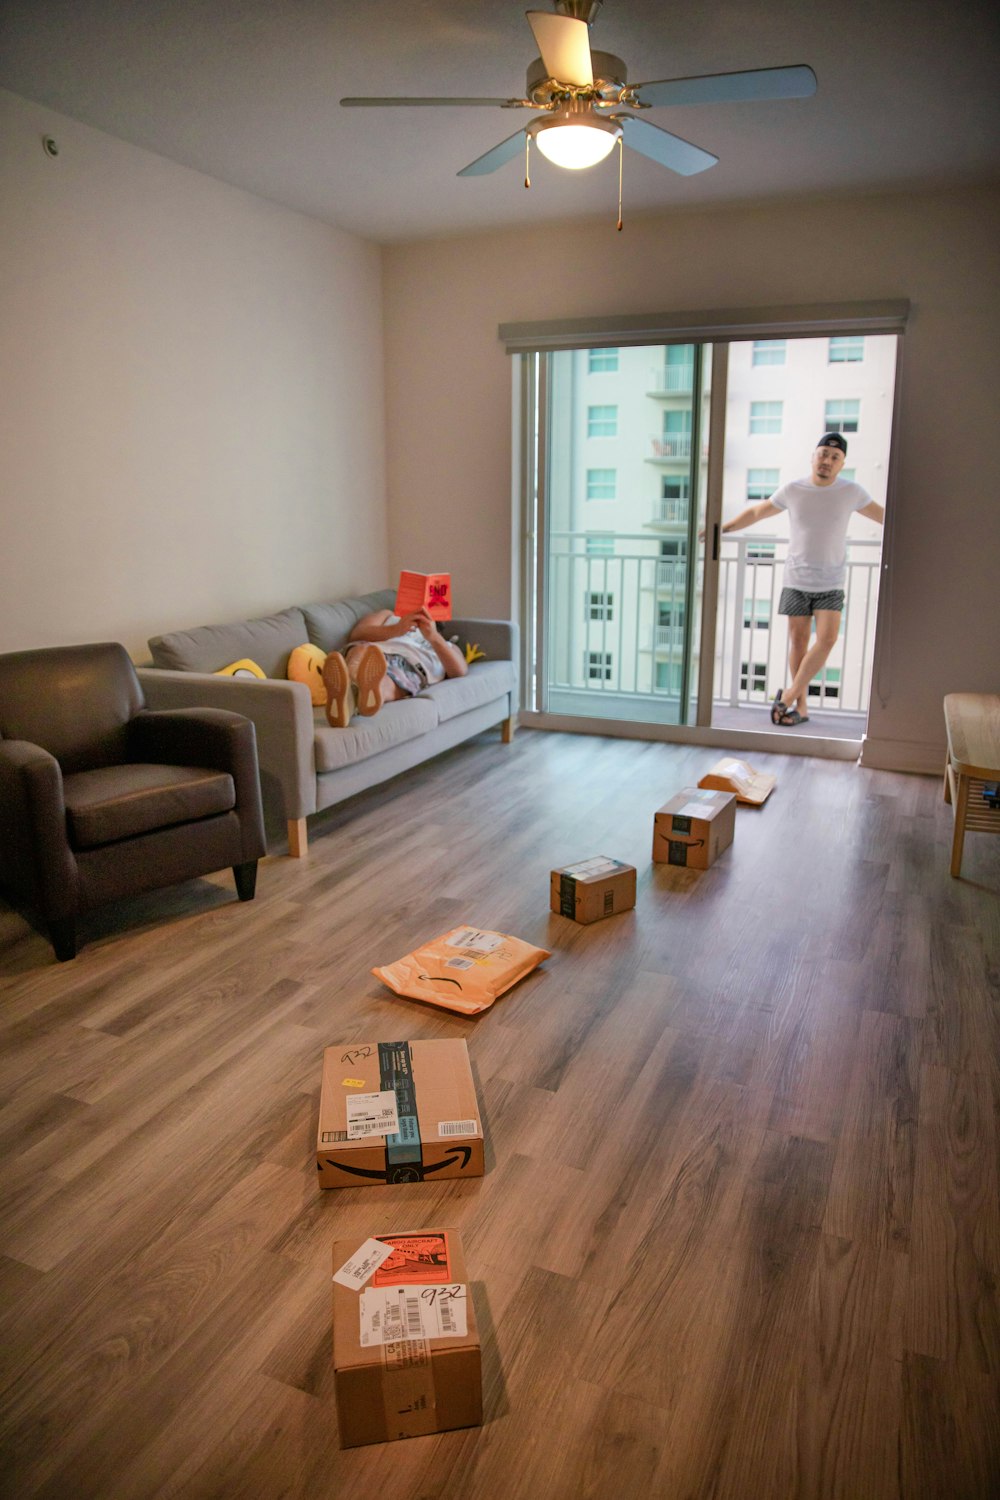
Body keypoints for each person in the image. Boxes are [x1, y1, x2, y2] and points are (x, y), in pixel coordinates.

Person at [719, 433, 884, 726]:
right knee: (798, 641)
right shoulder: (794, 489)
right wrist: (723, 528)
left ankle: (789, 695)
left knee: (828, 639)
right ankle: (802, 706)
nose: (827, 461)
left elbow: (885, 516)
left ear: (842, 463)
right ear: (813, 456)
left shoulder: (851, 492)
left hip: (831, 581)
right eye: (823, 454)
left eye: (835, 458)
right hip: (796, 578)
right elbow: (758, 511)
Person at [321, 606, 467, 727]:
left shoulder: (445, 645)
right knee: (361, 650)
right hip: (374, 653)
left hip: (410, 666)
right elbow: (357, 634)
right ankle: (351, 693)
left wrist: (433, 636)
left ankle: (349, 698)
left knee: (382, 683)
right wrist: (397, 629)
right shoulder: (387, 615)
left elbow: (459, 671)